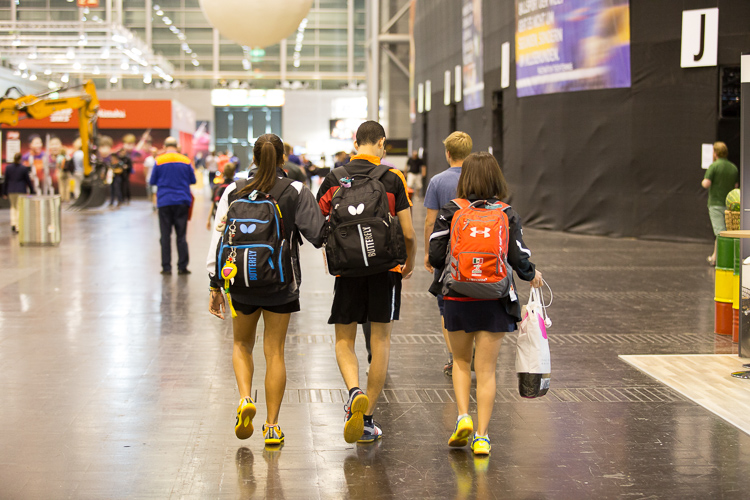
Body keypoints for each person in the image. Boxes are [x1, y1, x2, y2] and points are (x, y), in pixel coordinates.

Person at [206, 133, 326, 446]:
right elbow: (317, 235)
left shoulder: (234, 189)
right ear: (283, 158)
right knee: (275, 352)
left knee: (241, 344)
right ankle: (272, 426)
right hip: (281, 283)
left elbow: (219, 238)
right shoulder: (296, 190)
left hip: (241, 281)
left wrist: (215, 283)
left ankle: (246, 398)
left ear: (254, 158)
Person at [428, 152, 543, 456]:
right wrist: (532, 274)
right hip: (494, 296)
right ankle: (481, 436)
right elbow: (519, 257)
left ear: (464, 178)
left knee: (461, 363)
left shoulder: (451, 210)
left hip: (456, 295)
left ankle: (463, 416)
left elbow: (436, 254)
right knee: (487, 370)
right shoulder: (507, 212)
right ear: (496, 178)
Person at [316, 120, 417, 444]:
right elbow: (409, 233)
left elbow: (320, 227)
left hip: (347, 271)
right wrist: (409, 263)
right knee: (381, 342)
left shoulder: (334, 178)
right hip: (385, 269)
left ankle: (353, 389)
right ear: (381, 143)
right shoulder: (392, 178)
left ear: (355, 141)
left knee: (344, 340)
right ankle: (368, 418)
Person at [423, 131, 473, 377]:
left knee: (446, 307)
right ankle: (472, 352)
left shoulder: (438, 181)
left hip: (447, 255)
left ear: (448, 153)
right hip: (476, 253)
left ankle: (456, 358)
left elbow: (430, 222)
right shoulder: (479, 178)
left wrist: (428, 254)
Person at [150, 137, 196, 275]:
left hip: (164, 201)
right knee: (181, 236)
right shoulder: (185, 160)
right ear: (177, 146)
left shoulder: (159, 160)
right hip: (182, 201)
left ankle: (166, 267)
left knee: (165, 236)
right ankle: (182, 267)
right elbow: (193, 180)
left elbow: (152, 181)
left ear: (164, 146)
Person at [703, 141, 739, 266]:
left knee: (720, 232)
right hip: (730, 205)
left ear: (716, 153)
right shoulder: (733, 168)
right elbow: (736, 186)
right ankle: (715, 257)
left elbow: (706, 183)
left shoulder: (714, 166)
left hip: (716, 203)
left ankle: (721, 259)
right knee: (727, 231)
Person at [2, 152, 36, 233]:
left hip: (11, 190)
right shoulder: (23, 168)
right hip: (21, 190)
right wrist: (32, 190)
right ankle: (18, 225)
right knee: (19, 208)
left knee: (13, 207)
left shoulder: (8, 168)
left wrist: (4, 192)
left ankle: (13, 223)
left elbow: (6, 180)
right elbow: (28, 181)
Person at [206, 163, 236, 230]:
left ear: (223, 173)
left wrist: (208, 219)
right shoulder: (236, 187)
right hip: (233, 218)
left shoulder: (217, 187)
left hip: (219, 217)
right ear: (234, 173)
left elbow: (213, 203)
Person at [48, 136, 67, 201]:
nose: (54, 147)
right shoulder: (46, 158)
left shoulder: (66, 157)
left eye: (56, 144)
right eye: (52, 144)